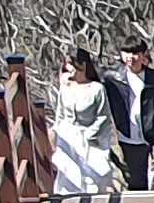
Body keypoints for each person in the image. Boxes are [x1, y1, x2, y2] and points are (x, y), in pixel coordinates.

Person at [109, 38, 154, 192]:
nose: (130, 56)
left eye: (135, 53)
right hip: (129, 136)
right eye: (126, 52)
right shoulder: (113, 79)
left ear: (144, 55)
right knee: (136, 180)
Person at [49, 51, 117, 194]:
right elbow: (60, 114)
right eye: (66, 64)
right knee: (67, 174)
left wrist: (91, 135)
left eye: (71, 64)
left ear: (82, 65)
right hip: (67, 136)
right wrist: (57, 132)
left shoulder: (96, 89)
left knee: (92, 177)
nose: (68, 68)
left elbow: (103, 116)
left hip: (89, 137)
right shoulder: (65, 87)